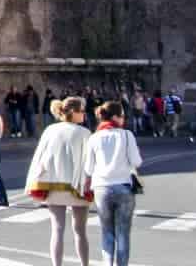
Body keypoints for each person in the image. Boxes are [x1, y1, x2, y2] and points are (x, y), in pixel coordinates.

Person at [24, 96, 91, 266]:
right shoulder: (84, 133)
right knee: (80, 230)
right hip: (78, 187)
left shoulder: (50, 130)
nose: (84, 114)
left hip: (53, 186)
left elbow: (39, 157)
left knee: (57, 229)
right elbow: (89, 162)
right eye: (82, 111)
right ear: (73, 112)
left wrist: (35, 180)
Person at [83, 100, 142, 266]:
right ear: (115, 117)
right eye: (122, 116)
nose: (124, 119)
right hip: (123, 186)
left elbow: (88, 168)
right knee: (123, 233)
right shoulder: (126, 135)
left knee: (107, 232)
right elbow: (136, 162)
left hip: (101, 188)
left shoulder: (94, 138)